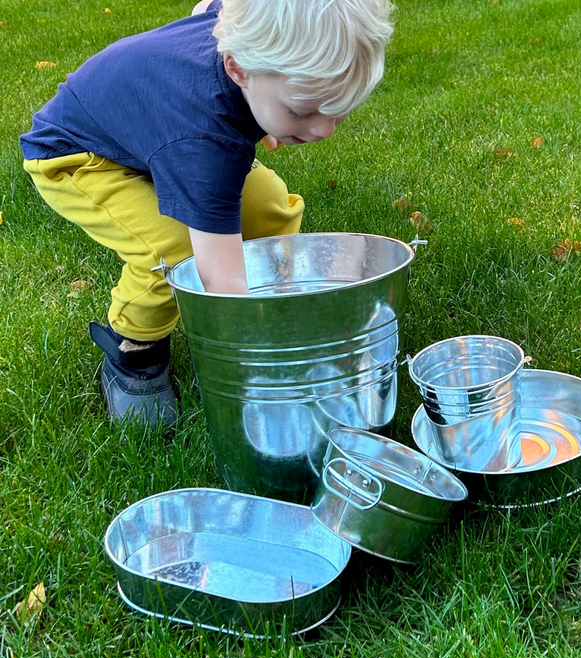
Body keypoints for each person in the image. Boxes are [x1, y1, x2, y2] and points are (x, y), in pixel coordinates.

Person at [20, 0, 393, 426]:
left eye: (338, 109)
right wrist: (267, 363)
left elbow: (207, 7)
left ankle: (277, 300)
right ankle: (134, 355)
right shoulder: (203, 143)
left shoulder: (243, 27)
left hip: (153, 137)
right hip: (81, 156)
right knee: (175, 252)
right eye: (301, 111)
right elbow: (221, 281)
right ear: (238, 70)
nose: (324, 129)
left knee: (269, 207)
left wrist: (279, 120)